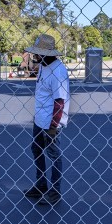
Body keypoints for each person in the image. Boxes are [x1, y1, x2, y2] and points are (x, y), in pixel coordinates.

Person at [23, 34, 70, 206]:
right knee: (36, 149)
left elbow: (60, 102)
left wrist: (52, 128)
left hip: (52, 122)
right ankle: (41, 185)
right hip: (40, 119)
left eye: (38, 53)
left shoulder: (58, 71)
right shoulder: (44, 65)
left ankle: (55, 191)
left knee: (54, 154)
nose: (35, 56)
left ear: (47, 54)